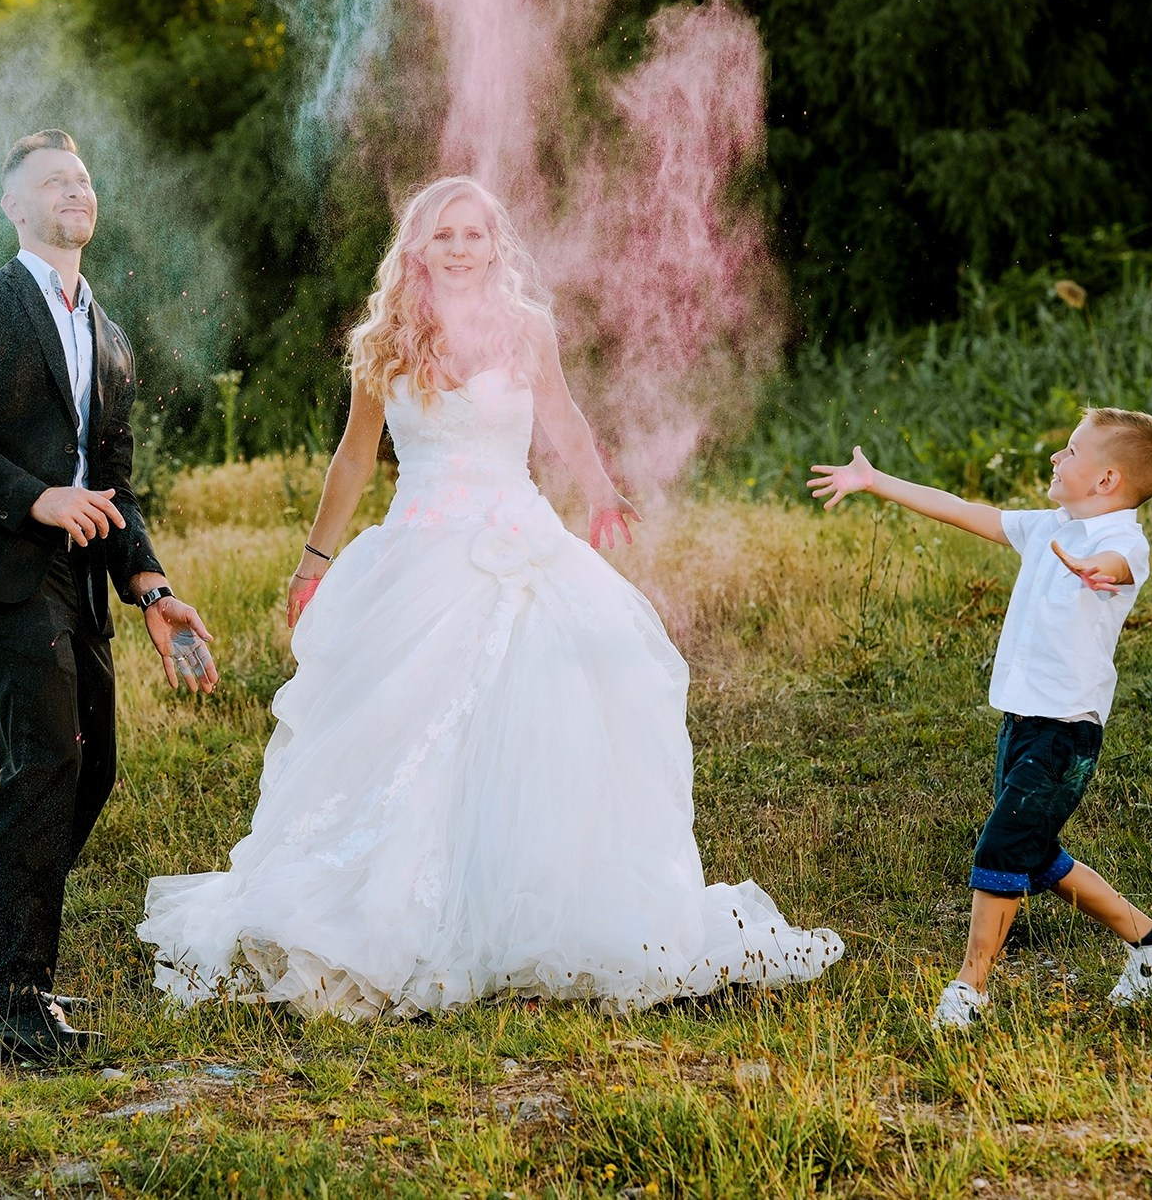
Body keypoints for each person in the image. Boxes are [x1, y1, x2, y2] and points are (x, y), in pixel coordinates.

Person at [138, 176, 843, 1020]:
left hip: (520, 539)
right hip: (419, 552)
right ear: (417, 248)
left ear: (495, 243)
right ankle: (392, 904)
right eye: (444, 234)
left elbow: (566, 422)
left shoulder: (527, 328)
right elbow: (355, 460)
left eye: (475, 232)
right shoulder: (386, 342)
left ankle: (536, 903)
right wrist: (313, 560)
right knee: (403, 727)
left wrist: (600, 491)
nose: (462, 247)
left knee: (554, 715)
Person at [0, 129, 218, 1065]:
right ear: (15, 207)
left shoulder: (107, 334)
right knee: (44, 763)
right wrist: (32, 495)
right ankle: (9, 1006)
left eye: (82, 179)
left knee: (92, 767)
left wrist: (148, 583)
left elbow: (112, 477)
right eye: (52, 182)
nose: (74, 191)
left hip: (76, 575)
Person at [808, 409, 1152, 1029]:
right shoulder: (1048, 528)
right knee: (1033, 855)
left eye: (1070, 452)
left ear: (1107, 481)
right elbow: (965, 510)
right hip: (1023, 722)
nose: (1055, 460)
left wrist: (1104, 573)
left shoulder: (1120, 541)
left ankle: (969, 988)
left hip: (1065, 730)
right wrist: (877, 481)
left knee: (1001, 846)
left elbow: (1122, 564)